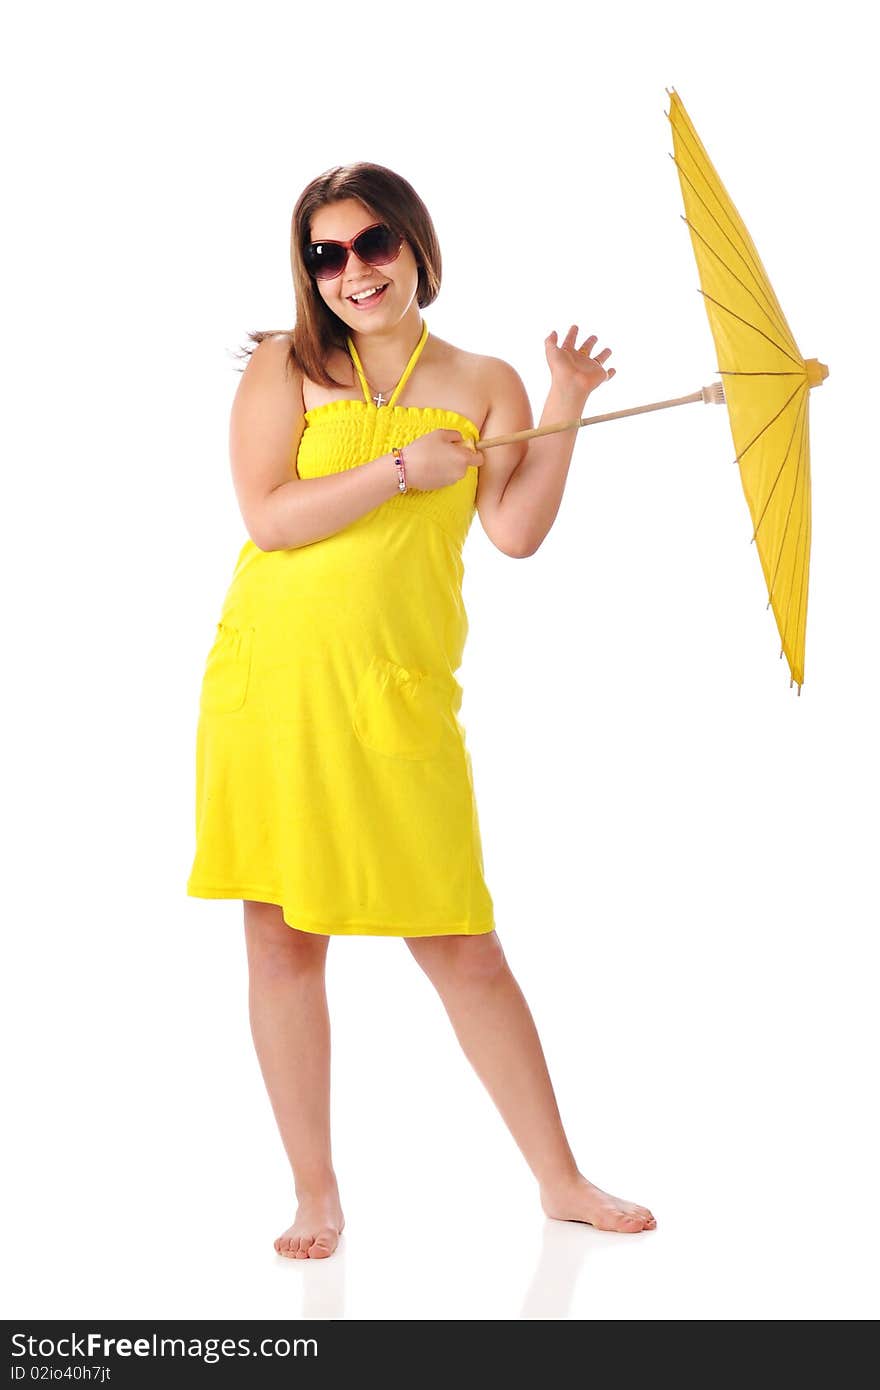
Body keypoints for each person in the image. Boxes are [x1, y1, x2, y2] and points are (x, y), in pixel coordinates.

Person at [186, 162, 656, 1259]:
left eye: (373, 244)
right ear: (310, 271)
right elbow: (269, 517)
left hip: (396, 688)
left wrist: (565, 405)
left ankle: (560, 1178)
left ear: (414, 244)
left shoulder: (484, 380)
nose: (354, 271)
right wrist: (401, 466)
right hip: (273, 684)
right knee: (279, 938)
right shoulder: (286, 364)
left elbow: (515, 533)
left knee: (461, 942)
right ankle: (316, 1194)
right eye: (327, 254)